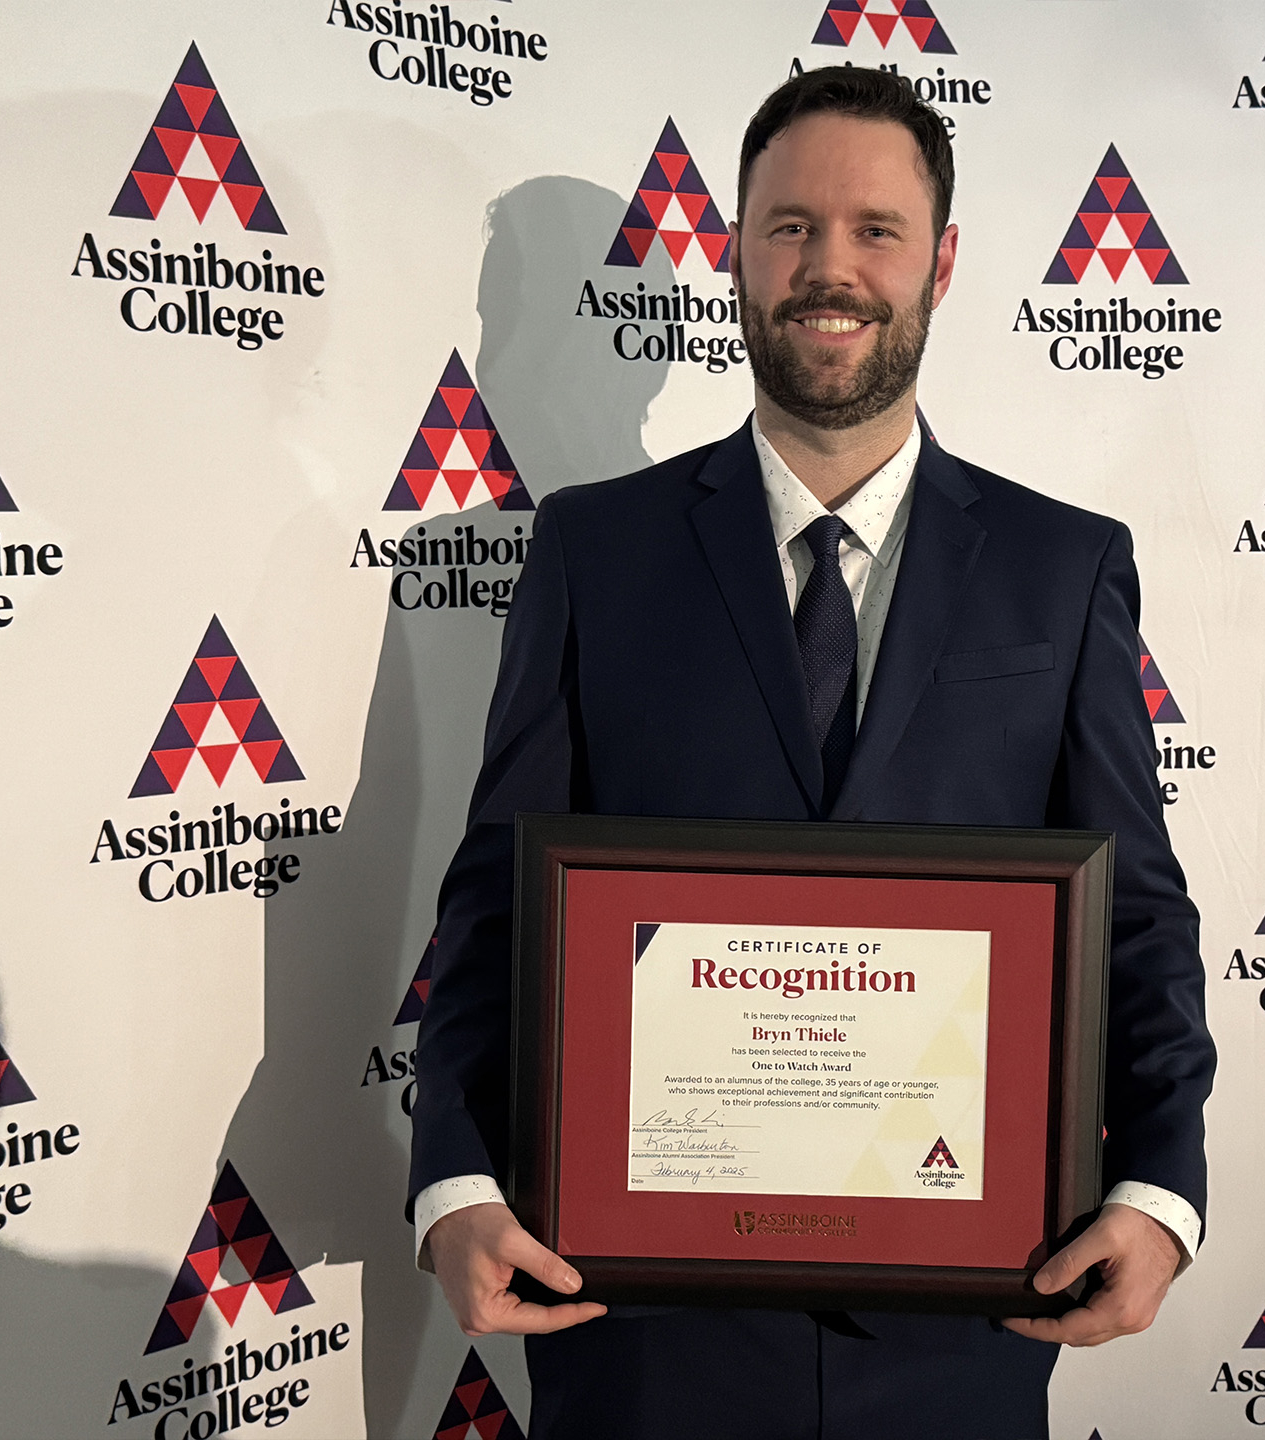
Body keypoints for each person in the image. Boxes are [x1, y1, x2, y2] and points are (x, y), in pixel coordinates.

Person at [407, 66, 1215, 1439]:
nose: (826, 269)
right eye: (787, 227)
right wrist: (457, 1187)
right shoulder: (593, 554)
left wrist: (1158, 1193)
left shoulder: (1061, 569)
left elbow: (1134, 908)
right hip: (642, 1334)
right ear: (735, 249)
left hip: (962, 1329)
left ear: (942, 262)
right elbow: (499, 897)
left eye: (874, 230)